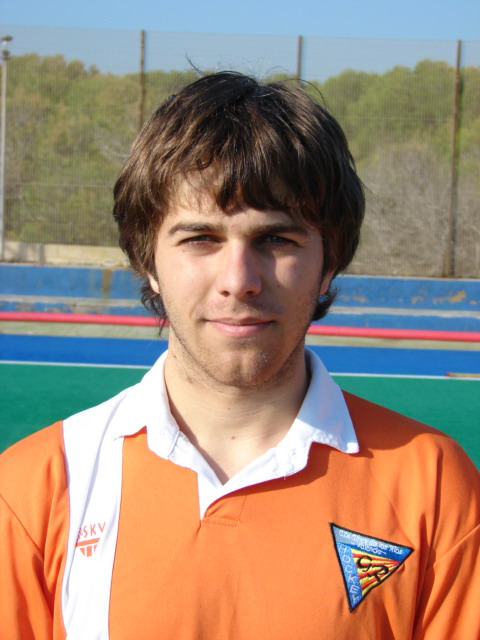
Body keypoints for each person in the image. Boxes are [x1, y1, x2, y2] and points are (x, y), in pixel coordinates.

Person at [0, 72, 478, 640]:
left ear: (329, 263)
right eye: (200, 238)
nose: (239, 279)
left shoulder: (434, 485)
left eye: (276, 239)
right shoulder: (37, 487)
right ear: (148, 261)